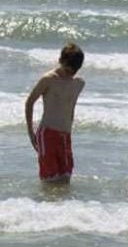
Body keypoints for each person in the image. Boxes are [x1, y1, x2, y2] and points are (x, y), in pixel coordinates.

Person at [25, 43, 86, 184]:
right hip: (48, 134)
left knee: (65, 179)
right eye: (69, 69)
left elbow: (71, 108)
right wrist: (31, 133)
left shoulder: (78, 84)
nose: (71, 73)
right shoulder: (48, 79)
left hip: (65, 135)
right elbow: (30, 102)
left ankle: (63, 207)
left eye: (74, 70)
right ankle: (46, 206)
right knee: (50, 181)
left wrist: (69, 130)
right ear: (61, 61)